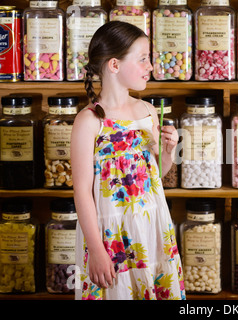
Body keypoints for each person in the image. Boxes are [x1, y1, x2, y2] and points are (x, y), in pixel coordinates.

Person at [71, 21, 185, 300]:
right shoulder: (89, 120)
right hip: (110, 232)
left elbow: (156, 175)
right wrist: (97, 250)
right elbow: (82, 191)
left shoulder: (147, 111)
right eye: (143, 59)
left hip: (152, 224)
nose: (150, 66)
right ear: (114, 65)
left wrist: (168, 151)